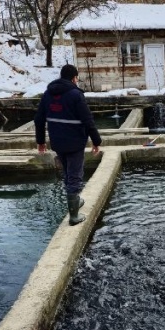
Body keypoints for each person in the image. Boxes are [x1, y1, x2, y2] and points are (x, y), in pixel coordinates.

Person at [35, 64, 102, 225]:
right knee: (75, 177)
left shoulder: (48, 94)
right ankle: (74, 217)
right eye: (77, 78)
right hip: (75, 143)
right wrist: (96, 141)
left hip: (57, 142)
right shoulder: (75, 95)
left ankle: (75, 202)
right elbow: (88, 120)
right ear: (74, 78)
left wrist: (41, 141)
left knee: (67, 173)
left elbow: (39, 120)